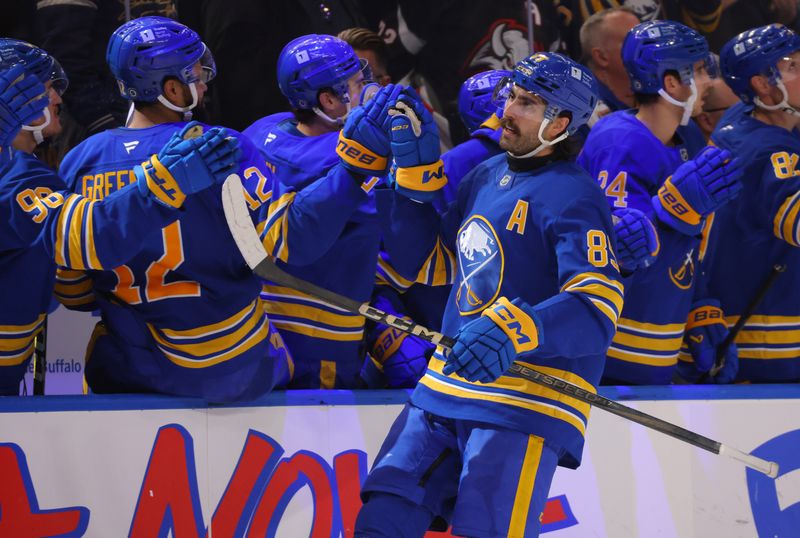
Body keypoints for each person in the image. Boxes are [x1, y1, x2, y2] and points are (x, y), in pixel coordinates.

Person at [355, 52, 625, 538]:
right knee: (381, 519)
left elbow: (598, 305)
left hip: (523, 403)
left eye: (527, 103)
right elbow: (434, 266)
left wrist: (517, 328)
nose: (507, 111)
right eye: (510, 97)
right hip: (444, 388)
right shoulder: (485, 174)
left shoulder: (576, 196)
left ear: (561, 123)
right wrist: (412, 186)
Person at [57, 17, 394, 401]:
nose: (203, 84)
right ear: (170, 88)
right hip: (230, 368)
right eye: (195, 76)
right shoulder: (221, 148)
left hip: (123, 368)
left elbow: (72, 291)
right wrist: (351, 172)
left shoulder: (78, 161)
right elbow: (289, 242)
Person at [0, 39, 240, 395]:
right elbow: (93, 239)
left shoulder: (49, 163)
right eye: (47, 89)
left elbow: (69, 285)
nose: (58, 99)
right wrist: (163, 184)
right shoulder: (15, 176)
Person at [577, 20, 742, 385]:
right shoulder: (618, 142)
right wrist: (671, 209)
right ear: (670, 82)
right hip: (613, 346)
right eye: (698, 71)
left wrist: (701, 305)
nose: (709, 83)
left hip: (662, 338)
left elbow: (690, 239)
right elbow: (610, 252)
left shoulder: (689, 139)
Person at [244, 34, 398, 389]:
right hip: (320, 338)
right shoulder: (350, 157)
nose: (368, 89)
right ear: (329, 100)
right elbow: (405, 236)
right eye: (359, 83)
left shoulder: (260, 130)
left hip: (257, 325)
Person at [691, 24, 800, 382]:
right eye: (794, 67)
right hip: (772, 343)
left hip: (741, 320)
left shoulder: (744, 121)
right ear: (762, 84)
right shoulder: (767, 152)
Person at [579, 7, 641, 119]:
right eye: (633, 41)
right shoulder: (579, 113)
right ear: (601, 57)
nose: (646, 47)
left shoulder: (662, 90)